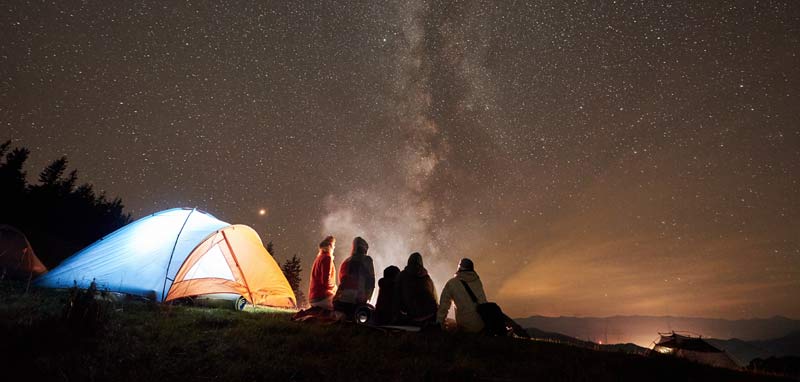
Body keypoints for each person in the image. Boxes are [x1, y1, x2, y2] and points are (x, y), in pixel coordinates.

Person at [436, 258, 486, 333]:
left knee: (451, 324)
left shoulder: (452, 283)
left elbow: (444, 307)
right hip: (482, 323)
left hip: (466, 326)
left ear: (459, 268)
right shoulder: (477, 281)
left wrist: (439, 324)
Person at [332, 236, 375, 319]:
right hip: (357, 303)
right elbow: (371, 281)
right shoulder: (367, 260)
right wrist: (367, 297)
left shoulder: (345, 261)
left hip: (339, 303)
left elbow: (341, 281)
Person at [395, 252, 438, 326]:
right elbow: (434, 296)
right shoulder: (427, 277)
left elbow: (396, 296)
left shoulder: (402, 276)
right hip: (430, 314)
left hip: (411, 315)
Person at [307, 236, 337, 310]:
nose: (334, 248)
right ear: (330, 246)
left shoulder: (319, 258)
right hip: (322, 298)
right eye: (333, 245)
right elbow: (325, 281)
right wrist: (335, 288)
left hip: (313, 298)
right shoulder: (327, 258)